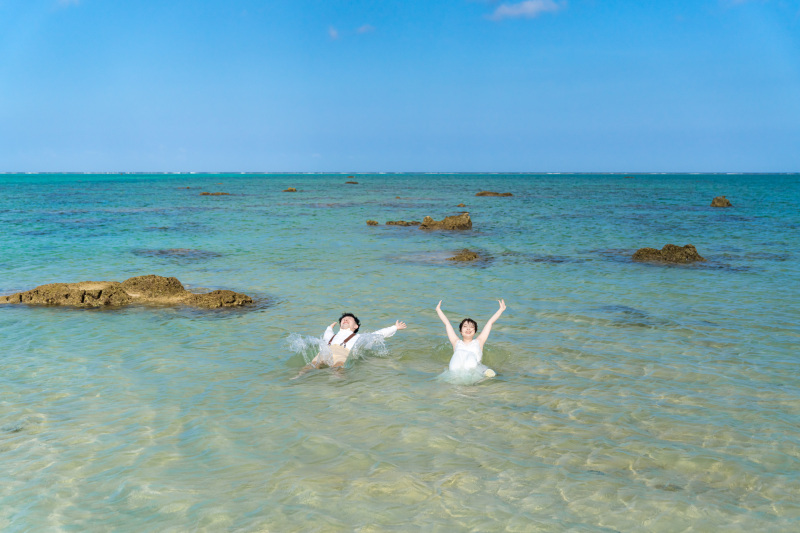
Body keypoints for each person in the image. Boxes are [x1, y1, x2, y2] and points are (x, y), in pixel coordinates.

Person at [304, 312, 407, 370]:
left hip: (342, 353)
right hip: (324, 352)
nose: (345, 319)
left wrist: (395, 327)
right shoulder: (332, 337)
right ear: (340, 325)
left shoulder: (358, 337)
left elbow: (378, 334)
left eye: (348, 319)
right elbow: (327, 335)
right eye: (343, 319)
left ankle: (337, 387)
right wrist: (329, 327)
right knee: (310, 366)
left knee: (338, 367)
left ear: (356, 326)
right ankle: (297, 378)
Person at [435, 299, 506, 378]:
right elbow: (447, 324)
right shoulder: (456, 342)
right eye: (465, 327)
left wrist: (501, 310)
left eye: (471, 327)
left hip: (475, 368)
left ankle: (483, 374)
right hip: (457, 367)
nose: (468, 329)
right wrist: (438, 310)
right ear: (460, 331)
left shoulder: (479, 341)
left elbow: (490, 323)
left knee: (473, 360)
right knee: (459, 354)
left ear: (475, 331)